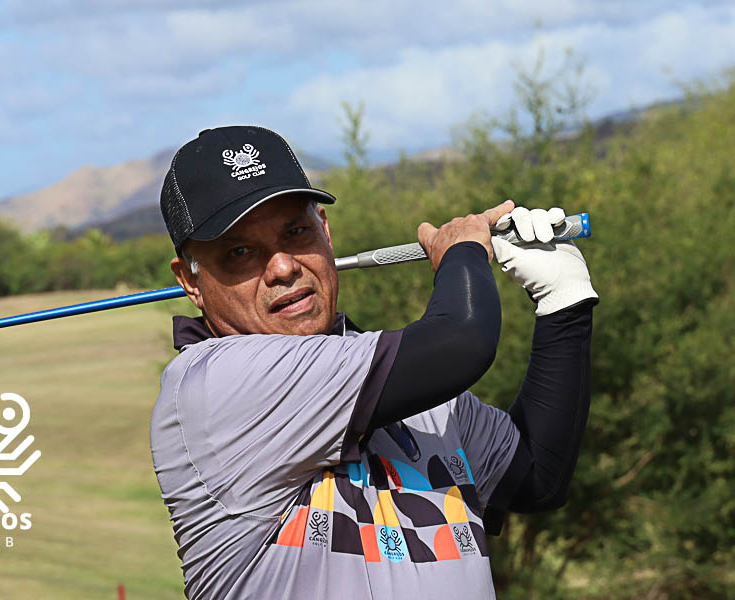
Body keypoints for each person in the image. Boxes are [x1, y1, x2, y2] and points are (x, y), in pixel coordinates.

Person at [150, 125, 598, 599]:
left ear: (325, 230)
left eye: (296, 232)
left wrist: (564, 302)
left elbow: (535, 478)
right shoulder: (212, 386)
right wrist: (462, 249)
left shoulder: (391, 378)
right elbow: (462, 340)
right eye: (240, 252)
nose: (282, 267)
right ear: (191, 281)